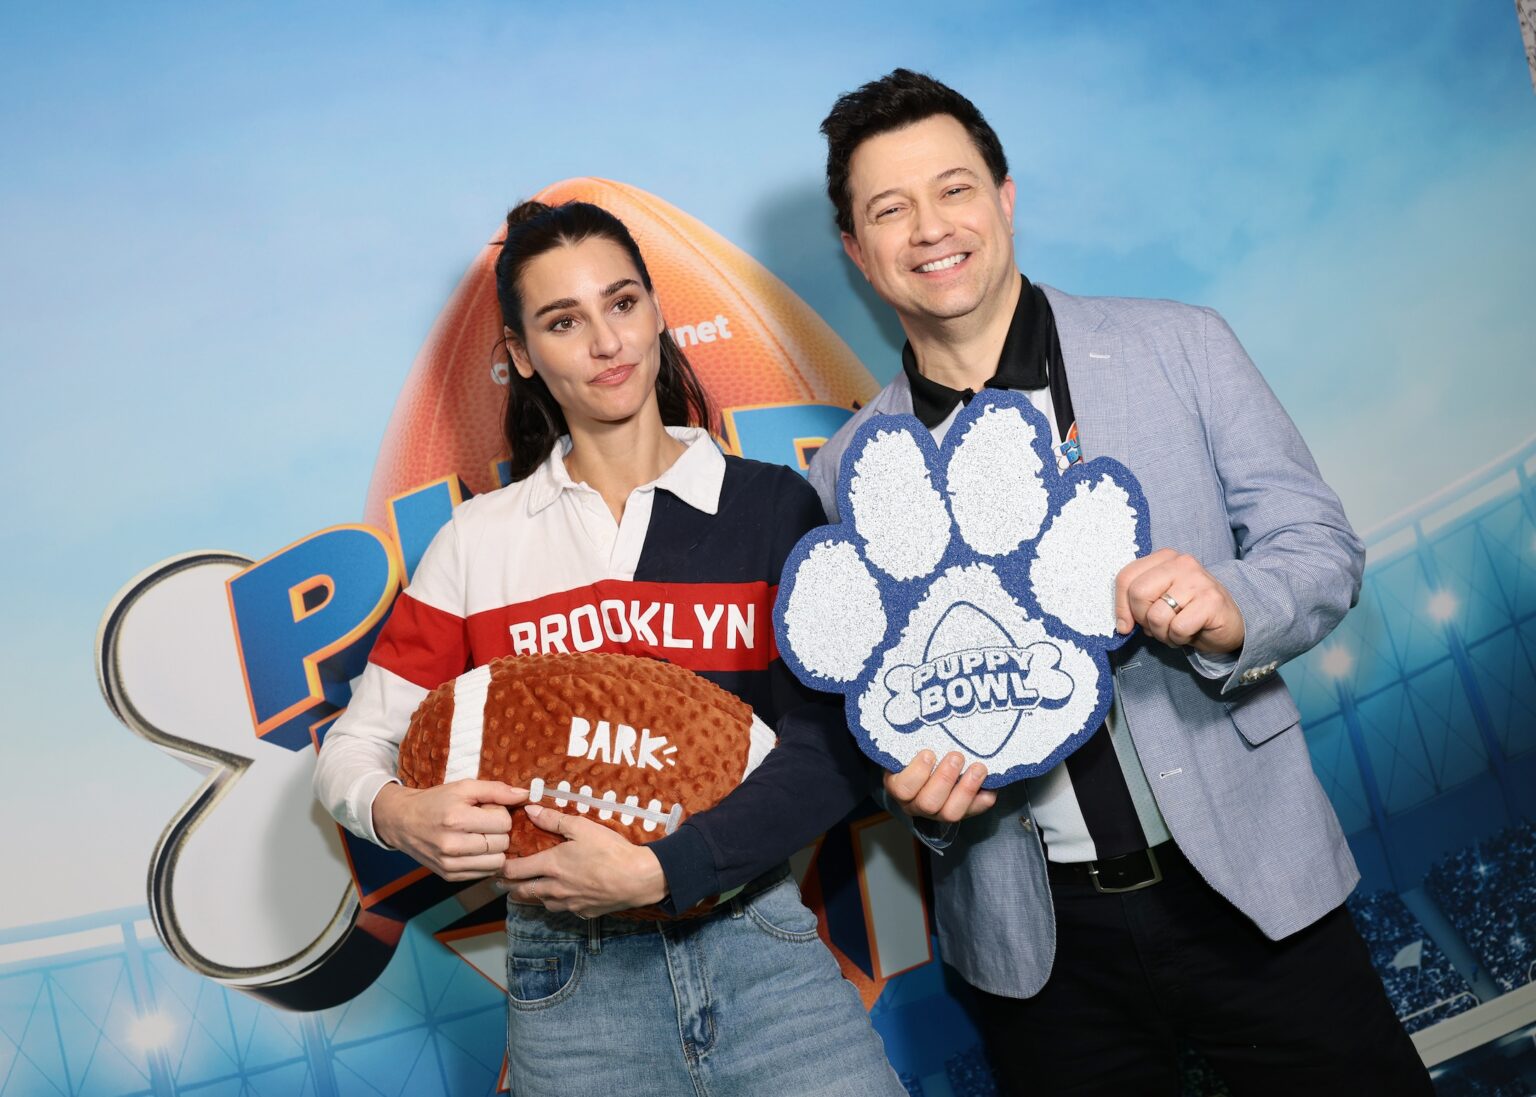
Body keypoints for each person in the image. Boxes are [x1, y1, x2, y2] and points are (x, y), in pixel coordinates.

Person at [807, 69, 1434, 1096]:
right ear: (856, 250)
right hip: (1039, 956)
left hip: (1252, 890)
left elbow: (1317, 541)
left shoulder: (1179, 345)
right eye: (890, 208)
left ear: (1004, 198)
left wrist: (1234, 610)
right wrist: (924, 803)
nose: (930, 228)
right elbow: (882, 721)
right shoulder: (848, 471)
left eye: (954, 188)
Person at [315, 200, 904, 1096]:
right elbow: (351, 750)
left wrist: (663, 868)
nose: (605, 341)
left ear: (657, 310)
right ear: (519, 353)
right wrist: (396, 812)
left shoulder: (769, 507)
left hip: (757, 947)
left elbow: (832, 749)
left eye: (622, 303)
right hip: (574, 989)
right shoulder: (480, 541)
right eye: (563, 320)